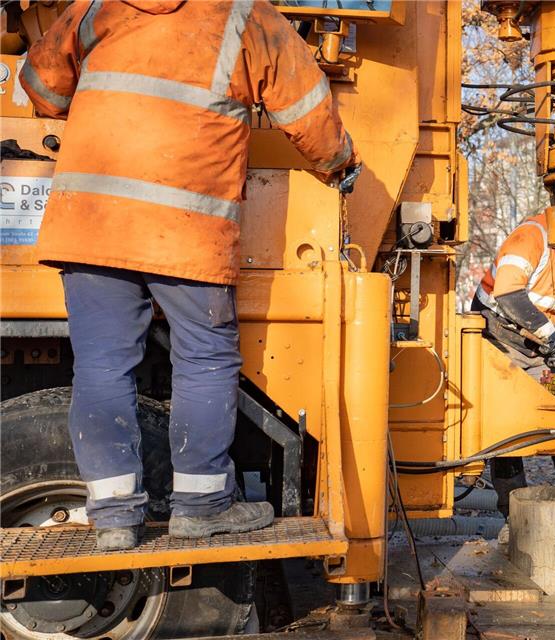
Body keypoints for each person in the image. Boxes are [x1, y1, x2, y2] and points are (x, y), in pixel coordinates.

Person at [20, 0, 359, 550]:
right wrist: (341, 164)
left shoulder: (98, 7)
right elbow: (311, 117)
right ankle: (201, 506)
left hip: (92, 223)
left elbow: (42, 86)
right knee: (204, 358)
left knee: (104, 365)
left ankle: (112, 519)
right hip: (186, 230)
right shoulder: (247, 18)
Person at [472, 212, 555, 518]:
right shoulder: (532, 236)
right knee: (507, 429)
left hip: (533, 345)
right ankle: (514, 517)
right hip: (498, 337)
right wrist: (551, 338)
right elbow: (509, 294)